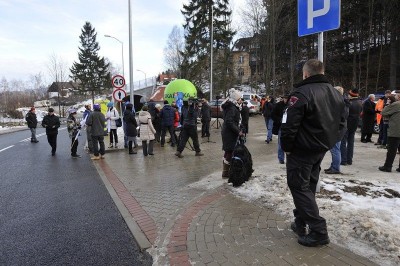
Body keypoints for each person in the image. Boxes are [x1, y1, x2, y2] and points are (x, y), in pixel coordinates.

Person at [281, 59, 345, 247]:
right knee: (307, 186)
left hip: (302, 150)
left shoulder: (301, 93)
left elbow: (289, 125)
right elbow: (342, 124)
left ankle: (319, 230)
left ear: (306, 74)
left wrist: (287, 147)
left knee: (299, 187)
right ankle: (301, 222)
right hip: (319, 149)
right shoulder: (336, 93)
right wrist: (329, 142)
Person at [324, 86, 349, 174]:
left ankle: (335, 168)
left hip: (338, 129)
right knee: (335, 148)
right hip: (338, 128)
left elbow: (340, 117)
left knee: (335, 149)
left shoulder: (341, 103)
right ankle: (333, 166)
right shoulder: (342, 102)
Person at [221, 88, 244, 178]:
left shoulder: (233, 107)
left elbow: (234, 121)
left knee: (228, 151)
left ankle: (226, 171)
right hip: (229, 133)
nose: (241, 101)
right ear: (235, 100)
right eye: (239, 99)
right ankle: (226, 173)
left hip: (229, 132)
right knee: (229, 152)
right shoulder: (232, 108)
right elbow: (229, 122)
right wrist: (238, 131)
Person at [340, 88, 362, 166]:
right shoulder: (360, 102)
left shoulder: (349, 103)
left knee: (343, 142)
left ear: (351, 95)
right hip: (354, 124)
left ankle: (344, 160)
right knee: (351, 142)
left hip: (347, 124)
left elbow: (345, 113)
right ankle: (349, 159)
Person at [378, 94, 400, 172]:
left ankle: (388, 166)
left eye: (396, 96)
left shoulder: (396, 104)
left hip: (395, 131)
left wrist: (387, 104)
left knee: (391, 150)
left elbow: (383, 112)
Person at [271, 94, 289, 164]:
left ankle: (289, 158)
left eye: (287, 98)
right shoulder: (278, 105)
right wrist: (279, 120)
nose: (286, 100)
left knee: (289, 142)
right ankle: (281, 158)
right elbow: (272, 115)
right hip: (281, 126)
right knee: (280, 143)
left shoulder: (291, 105)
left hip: (289, 126)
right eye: (285, 98)